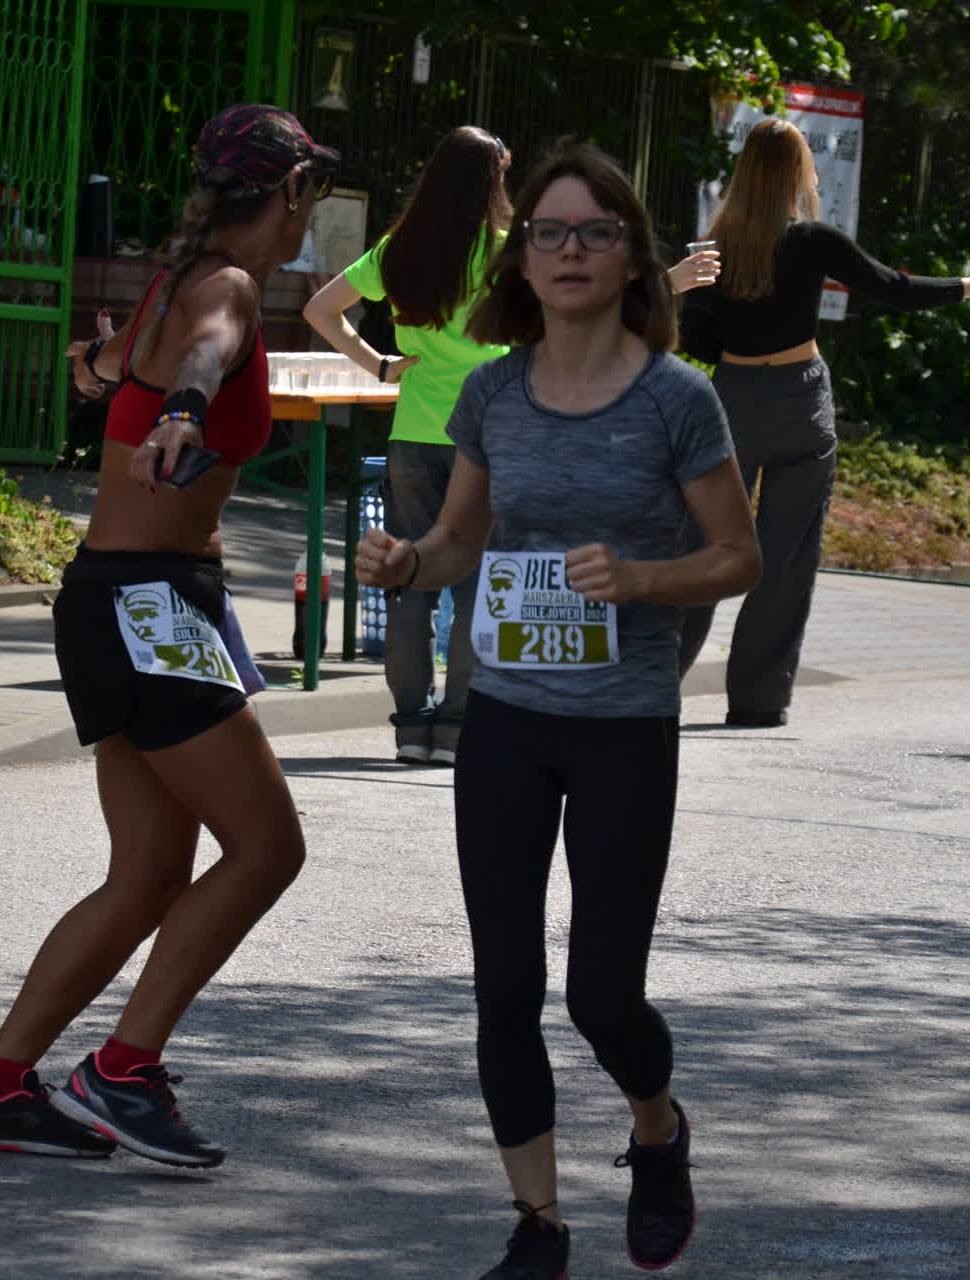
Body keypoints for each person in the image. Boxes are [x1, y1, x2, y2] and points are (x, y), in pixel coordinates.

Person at [355, 141, 761, 1276]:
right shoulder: (492, 393)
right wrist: (409, 563)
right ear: (521, 258)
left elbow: (739, 557)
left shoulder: (677, 399)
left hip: (624, 722)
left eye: (594, 231)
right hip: (508, 717)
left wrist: (641, 579)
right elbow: (460, 540)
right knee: (505, 988)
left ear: (632, 257)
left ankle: (657, 1128)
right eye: (548, 232)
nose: (569, 250)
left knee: (602, 995)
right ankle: (538, 1224)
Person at [0, 104, 338, 1170]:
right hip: (152, 605)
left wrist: (101, 369)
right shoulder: (226, 290)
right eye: (316, 192)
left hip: (117, 597)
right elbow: (204, 354)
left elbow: (118, 361)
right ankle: (123, 1069)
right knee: (268, 847)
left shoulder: (176, 279)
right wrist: (185, 405)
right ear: (292, 191)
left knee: (149, 871)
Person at [675, 116, 970, 727]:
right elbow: (891, 286)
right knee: (787, 555)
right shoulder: (815, 240)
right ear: (798, 173)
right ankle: (757, 702)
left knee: (707, 544)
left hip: (732, 401)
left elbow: (698, 340)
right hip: (800, 398)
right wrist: (968, 287)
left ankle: (652, 683)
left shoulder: (715, 246)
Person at [302, 126, 512, 766]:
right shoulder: (507, 252)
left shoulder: (400, 249)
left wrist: (379, 365)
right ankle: (455, 728)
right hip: (488, 440)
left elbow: (320, 309)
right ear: (491, 184)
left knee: (409, 582)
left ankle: (410, 730)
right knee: (476, 588)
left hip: (414, 436)